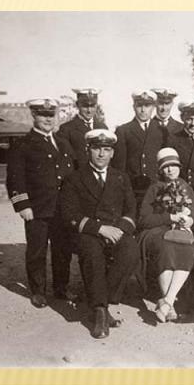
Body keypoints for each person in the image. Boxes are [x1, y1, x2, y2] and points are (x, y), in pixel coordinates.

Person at [60, 129, 139, 339]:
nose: (101, 154)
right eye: (97, 149)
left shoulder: (121, 177)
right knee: (93, 254)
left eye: (106, 150)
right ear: (88, 151)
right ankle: (100, 312)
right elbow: (69, 213)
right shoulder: (74, 178)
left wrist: (120, 229)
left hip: (116, 230)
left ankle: (101, 303)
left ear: (112, 153)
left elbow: (131, 209)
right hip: (88, 232)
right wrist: (100, 229)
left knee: (131, 251)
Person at [6, 98, 75, 308]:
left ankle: (61, 288)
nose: (48, 119)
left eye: (51, 115)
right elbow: (15, 178)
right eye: (43, 115)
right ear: (34, 116)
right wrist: (23, 205)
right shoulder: (23, 145)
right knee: (37, 251)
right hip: (37, 209)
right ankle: (38, 291)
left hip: (62, 209)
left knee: (62, 251)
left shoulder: (63, 143)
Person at [138, 148, 194, 323]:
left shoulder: (186, 188)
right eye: (166, 167)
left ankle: (167, 301)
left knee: (188, 248)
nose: (170, 170)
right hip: (155, 231)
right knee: (166, 246)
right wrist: (169, 217)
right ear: (160, 170)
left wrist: (189, 221)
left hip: (179, 232)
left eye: (173, 165)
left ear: (179, 167)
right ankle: (169, 303)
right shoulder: (154, 188)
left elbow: (193, 215)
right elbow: (144, 219)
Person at [112, 89, 164, 205]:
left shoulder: (161, 130)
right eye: (139, 105)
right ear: (134, 107)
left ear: (153, 107)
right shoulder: (123, 130)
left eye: (147, 106)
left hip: (156, 189)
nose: (143, 110)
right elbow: (119, 166)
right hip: (132, 189)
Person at [57, 88, 107, 170]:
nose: (89, 110)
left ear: (96, 105)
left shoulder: (103, 127)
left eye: (92, 106)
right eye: (85, 106)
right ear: (77, 105)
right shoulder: (66, 129)